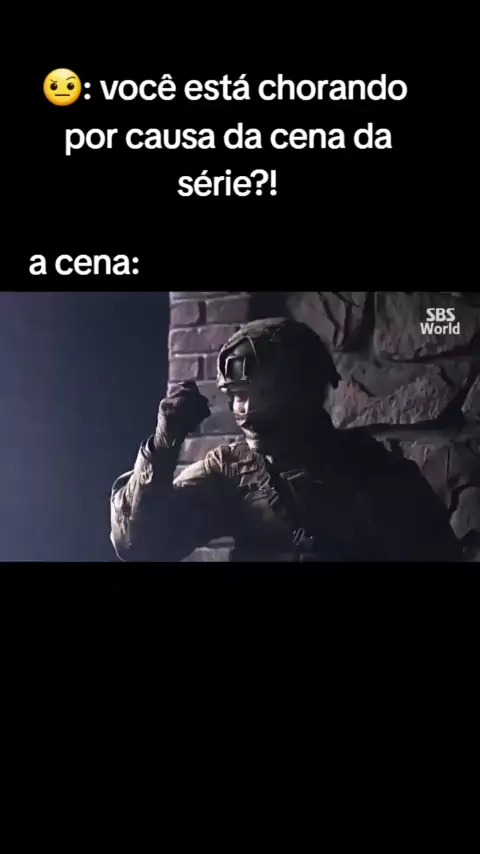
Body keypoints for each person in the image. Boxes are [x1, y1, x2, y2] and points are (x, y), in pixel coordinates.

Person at [110, 317, 463, 563]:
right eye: (237, 394)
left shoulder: (379, 476)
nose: (246, 410)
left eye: (262, 393)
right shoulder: (231, 468)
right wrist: (162, 447)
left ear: (304, 390)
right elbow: (139, 546)